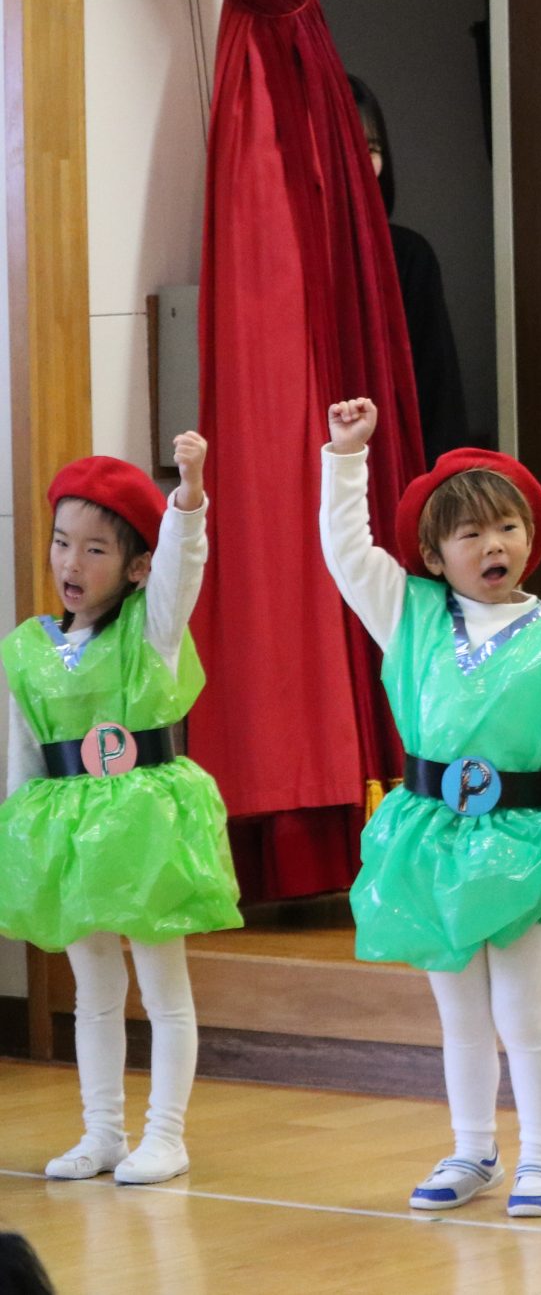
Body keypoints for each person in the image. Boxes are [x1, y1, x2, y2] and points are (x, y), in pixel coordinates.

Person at [318, 399, 541, 1216]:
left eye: (508, 527)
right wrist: (347, 457)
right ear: (432, 554)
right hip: (432, 839)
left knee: (523, 1009)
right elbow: (345, 550)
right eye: (471, 533)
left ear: (531, 536)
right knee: (460, 1011)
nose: (494, 545)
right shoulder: (408, 613)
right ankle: (473, 1146)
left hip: (523, 843)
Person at [0, 439, 234, 1185]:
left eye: (95, 549)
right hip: (68, 833)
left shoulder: (151, 629)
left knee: (163, 987)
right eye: (62, 542)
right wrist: (20, 842)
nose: (71, 562)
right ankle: (102, 1131)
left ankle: (166, 1135)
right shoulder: (26, 650)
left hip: (146, 824)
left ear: (136, 567)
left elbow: (182, 566)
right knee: (94, 991)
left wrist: (188, 493)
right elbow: (23, 756)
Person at [350, 74, 471, 460]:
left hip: (394, 454)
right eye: (349, 146)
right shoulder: (285, 260)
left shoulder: (408, 255)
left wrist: (441, 480)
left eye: (372, 149)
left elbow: (438, 386)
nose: (364, 162)